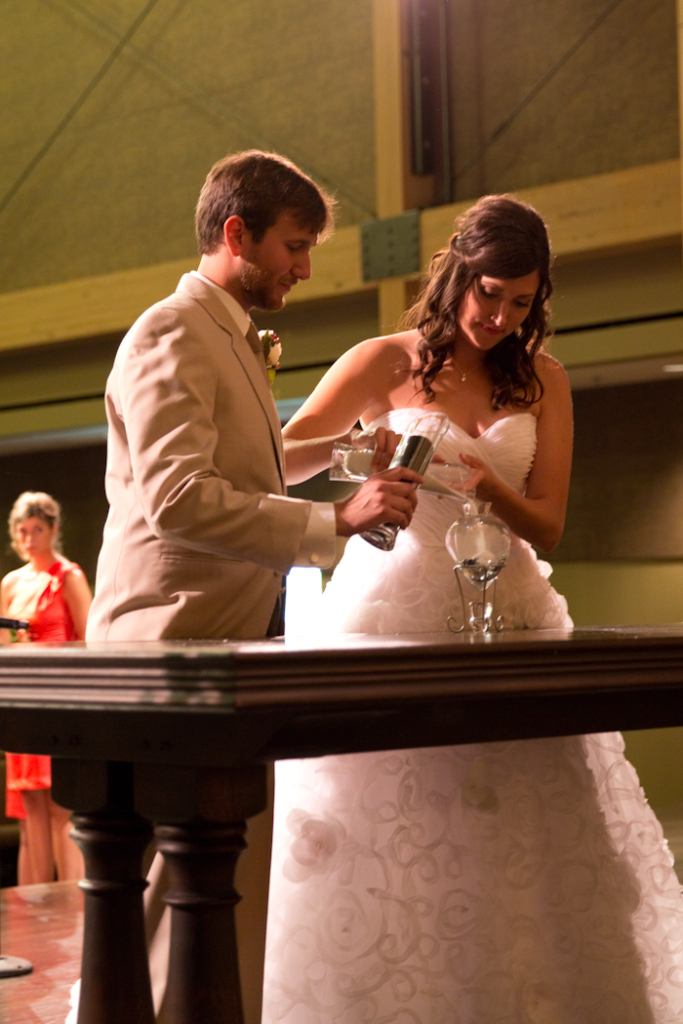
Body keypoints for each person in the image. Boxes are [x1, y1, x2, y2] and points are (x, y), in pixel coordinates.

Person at [261, 196, 683, 1021]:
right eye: (489, 294)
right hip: (393, 607)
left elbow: (548, 525)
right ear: (457, 273)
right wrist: (360, 452)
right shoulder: (383, 361)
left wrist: (489, 486)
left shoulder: (543, 379)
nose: (499, 317)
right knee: (396, 818)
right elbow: (281, 458)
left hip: (512, 608)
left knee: (521, 823)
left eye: (520, 302)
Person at [83, 149, 421, 1023]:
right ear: (236, 234)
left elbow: (248, 469)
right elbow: (178, 500)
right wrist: (332, 523)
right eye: (294, 247)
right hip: (168, 643)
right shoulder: (169, 331)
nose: (304, 269)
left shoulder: (228, 334)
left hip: (226, 645)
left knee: (205, 896)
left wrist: (346, 452)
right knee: (157, 898)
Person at [0, 491, 90, 885]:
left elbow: (89, 641)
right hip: (22, 701)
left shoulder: (68, 576)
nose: (29, 538)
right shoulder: (10, 583)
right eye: (23, 531)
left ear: (53, 530)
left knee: (59, 807)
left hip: (58, 701)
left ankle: (71, 906)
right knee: (30, 806)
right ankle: (34, 909)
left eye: (37, 529)